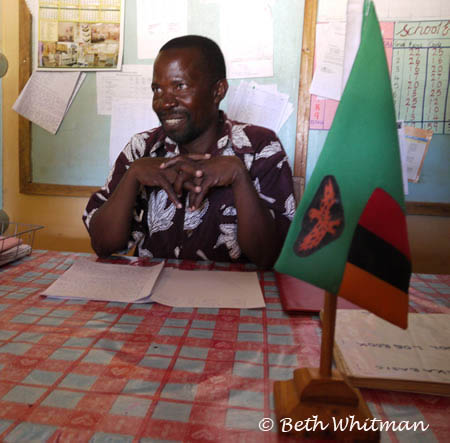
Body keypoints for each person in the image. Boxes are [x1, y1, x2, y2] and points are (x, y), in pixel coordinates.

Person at [83, 35, 295, 269]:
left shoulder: (260, 147)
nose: (164, 102)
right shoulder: (142, 148)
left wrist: (239, 176)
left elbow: (270, 257)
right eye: (157, 89)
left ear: (218, 91)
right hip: (151, 296)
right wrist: (133, 176)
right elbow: (103, 245)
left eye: (179, 86)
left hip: (233, 298)